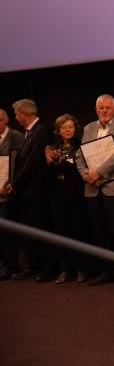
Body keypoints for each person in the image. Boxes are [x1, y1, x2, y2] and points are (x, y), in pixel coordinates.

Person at [76, 94, 114, 287]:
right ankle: (105, 271)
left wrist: (99, 172)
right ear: (96, 110)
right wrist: (85, 174)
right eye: (101, 108)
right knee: (99, 232)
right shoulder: (88, 128)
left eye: (108, 108)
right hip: (92, 188)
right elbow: (80, 155)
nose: (104, 111)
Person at [5, 99, 56, 282]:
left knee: (41, 229)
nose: (16, 117)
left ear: (24, 113)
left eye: (16, 114)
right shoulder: (29, 132)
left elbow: (32, 162)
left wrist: (15, 184)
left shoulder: (42, 129)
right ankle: (34, 266)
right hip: (26, 191)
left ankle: (48, 268)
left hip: (37, 191)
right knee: (30, 230)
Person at [45, 114, 90, 284]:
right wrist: (50, 163)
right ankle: (65, 269)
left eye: (70, 127)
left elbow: (79, 172)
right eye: (64, 127)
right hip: (58, 196)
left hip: (76, 195)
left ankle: (82, 268)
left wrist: (60, 162)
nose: (68, 130)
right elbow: (48, 176)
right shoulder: (53, 148)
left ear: (75, 128)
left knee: (79, 231)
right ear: (58, 130)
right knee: (62, 233)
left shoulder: (81, 146)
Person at [0, 107, 32, 280]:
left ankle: (12, 267)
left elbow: (22, 166)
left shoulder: (17, 137)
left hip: (12, 193)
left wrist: (11, 185)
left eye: (0, 120)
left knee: (11, 232)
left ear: (6, 120)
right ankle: (4, 266)